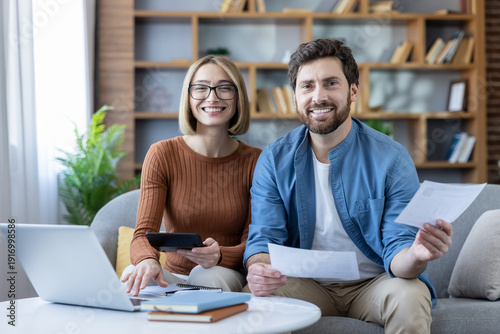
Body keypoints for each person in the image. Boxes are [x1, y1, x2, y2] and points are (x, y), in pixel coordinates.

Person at [243, 39, 453, 333]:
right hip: (307, 286)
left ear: (353, 90)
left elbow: (399, 253)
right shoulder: (274, 159)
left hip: (374, 285)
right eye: (307, 86)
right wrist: (258, 269)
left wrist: (418, 254)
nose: (318, 96)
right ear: (295, 96)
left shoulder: (391, 158)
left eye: (331, 83)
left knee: (410, 293)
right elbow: (264, 239)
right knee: (256, 297)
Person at [122, 55, 261, 296]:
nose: (213, 97)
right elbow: (142, 234)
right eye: (201, 88)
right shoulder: (162, 153)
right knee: (132, 276)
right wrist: (147, 260)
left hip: (224, 272)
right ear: (188, 97)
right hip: (175, 277)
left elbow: (254, 244)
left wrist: (219, 255)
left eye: (225, 88)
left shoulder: (256, 161)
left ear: (238, 99)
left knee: (207, 274)